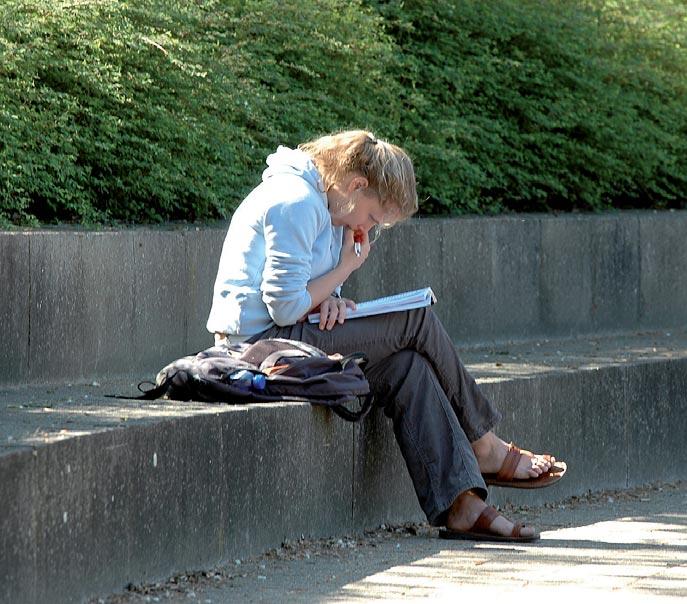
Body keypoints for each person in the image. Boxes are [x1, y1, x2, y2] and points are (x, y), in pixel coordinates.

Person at [207, 130, 566, 542]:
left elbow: (312, 296)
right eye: (374, 218)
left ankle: (462, 506)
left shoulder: (332, 210)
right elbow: (285, 308)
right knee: (416, 320)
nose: (368, 230)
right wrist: (345, 270)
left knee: (408, 367)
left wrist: (334, 301)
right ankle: (485, 445)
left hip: (291, 338)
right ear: (358, 186)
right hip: (257, 350)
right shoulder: (297, 202)